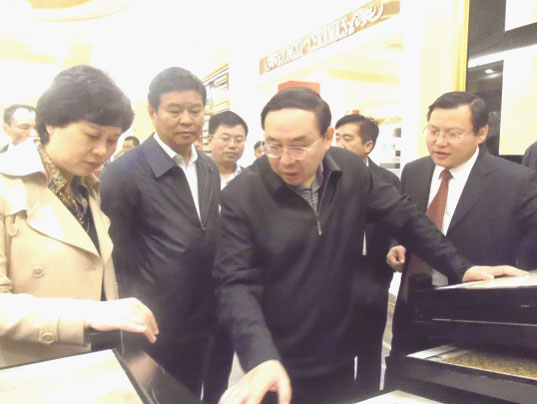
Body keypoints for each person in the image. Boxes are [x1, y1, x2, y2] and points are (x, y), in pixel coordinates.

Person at [214, 87, 526, 404]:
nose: (284, 159)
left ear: (327, 137)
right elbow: (235, 283)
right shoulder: (242, 195)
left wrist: (462, 268)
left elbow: (406, 218)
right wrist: (260, 356)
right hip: (276, 358)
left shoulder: (349, 171)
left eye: (299, 146)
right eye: (273, 145)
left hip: (338, 349)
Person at [0, 65, 158, 368]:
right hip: (27, 367)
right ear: (51, 125)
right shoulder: (7, 186)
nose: (102, 150)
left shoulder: (87, 188)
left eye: (112, 140)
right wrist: (87, 314)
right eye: (92, 135)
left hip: (90, 360)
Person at [385, 91, 537, 379]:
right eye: (433, 131)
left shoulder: (515, 181)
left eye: (453, 134)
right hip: (412, 308)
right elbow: (405, 223)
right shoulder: (414, 172)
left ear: (481, 133)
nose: (439, 142)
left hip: (476, 318)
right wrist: (396, 245)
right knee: (402, 382)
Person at [100, 67, 220, 397]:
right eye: (175, 111)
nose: (187, 120)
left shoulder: (207, 167)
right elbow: (112, 255)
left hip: (204, 318)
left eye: (195, 110)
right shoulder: (123, 173)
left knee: (191, 393)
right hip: (154, 325)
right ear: (152, 112)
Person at [335, 114, 400, 396]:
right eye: (336, 138)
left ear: (368, 145)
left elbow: (398, 222)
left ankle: (366, 397)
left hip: (373, 273)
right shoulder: (324, 176)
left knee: (370, 346)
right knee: (336, 344)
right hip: (334, 274)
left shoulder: (387, 181)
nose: (338, 144)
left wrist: (395, 246)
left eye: (347, 139)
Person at [209, 111, 248, 188]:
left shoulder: (250, 178)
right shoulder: (196, 174)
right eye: (225, 139)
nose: (232, 145)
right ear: (210, 140)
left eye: (239, 140)